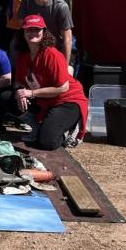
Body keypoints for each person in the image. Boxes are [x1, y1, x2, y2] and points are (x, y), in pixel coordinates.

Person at [13, 15, 88, 150]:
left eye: (37, 30)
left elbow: (63, 87)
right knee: (7, 98)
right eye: (28, 30)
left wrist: (31, 93)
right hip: (44, 99)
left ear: (44, 32)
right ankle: (38, 125)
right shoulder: (22, 56)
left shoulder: (51, 54)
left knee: (47, 142)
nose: (33, 33)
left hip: (67, 100)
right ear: (23, 33)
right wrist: (20, 93)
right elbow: (19, 82)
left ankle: (69, 131)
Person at [17, 0, 74, 65]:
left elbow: (67, 39)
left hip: (56, 49)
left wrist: (65, 65)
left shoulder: (60, 6)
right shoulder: (26, 0)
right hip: (33, 47)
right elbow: (22, 29)